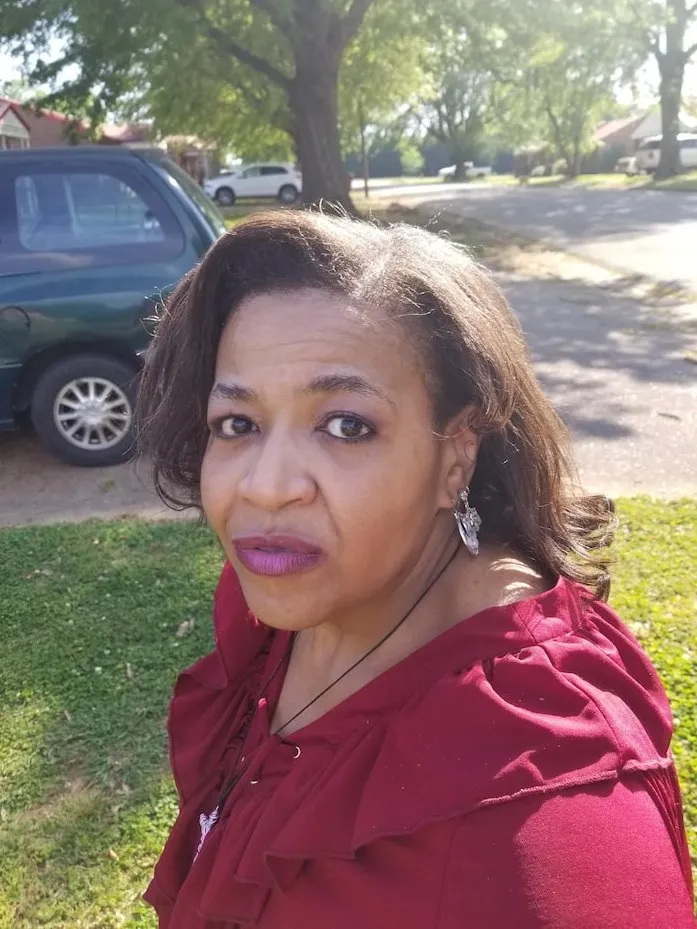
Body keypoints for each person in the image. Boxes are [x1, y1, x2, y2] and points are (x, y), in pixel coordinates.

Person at [137, 211, 695, 928]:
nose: (266, 487)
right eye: (237, 424)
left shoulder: (552, 817)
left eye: (346, 425)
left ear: (456, 454)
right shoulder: (304, 593)